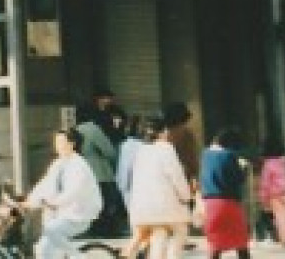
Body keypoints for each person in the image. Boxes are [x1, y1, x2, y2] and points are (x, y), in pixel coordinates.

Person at [23, 127, 104, 259]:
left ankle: (78, 256)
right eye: (56, 142)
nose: (58, 146)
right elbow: (44, 185)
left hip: (78, 215)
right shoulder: (57, 164)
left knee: (51, 230)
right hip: (60, 215)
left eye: (61, 142)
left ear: (72, 144)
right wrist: (29, 201)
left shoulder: (80, 165)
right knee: (42, 250)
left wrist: (54, 203)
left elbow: (73, 191)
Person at [121, 115, 192, 259]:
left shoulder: (141, 150)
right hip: (163, 206)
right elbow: (176, 176)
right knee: (180, 232)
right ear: (164, 131)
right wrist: (186, 196)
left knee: (159, 235)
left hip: (141, 207)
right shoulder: (166, 148)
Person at [198, 127, 252, 259]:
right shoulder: (228, 155)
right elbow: (238, 179)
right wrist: (244, 168)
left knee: (216, 243)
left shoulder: (205, 154)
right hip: (228, 202)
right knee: (240, 241)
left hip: (209, 203)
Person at [75, 101, 127, 237]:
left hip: (83, 174)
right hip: (100, 173)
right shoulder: (92, 129)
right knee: (105, 205)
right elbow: (109, 151)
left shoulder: (76, 129)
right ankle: (106, 231)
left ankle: (92, 230)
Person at [256, 137, 285, 246]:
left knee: (279, 216)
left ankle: (284, 238)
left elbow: (265, 183)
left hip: (274, 193)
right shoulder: (283, 162)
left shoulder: (268, 164)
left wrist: (263, 197)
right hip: (284, 192)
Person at [164, 102, 202, 190]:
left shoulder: (163, 135)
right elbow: (191, 158)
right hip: (184, 178)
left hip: (167, 180)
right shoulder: (186, 134)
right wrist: (195, 176)